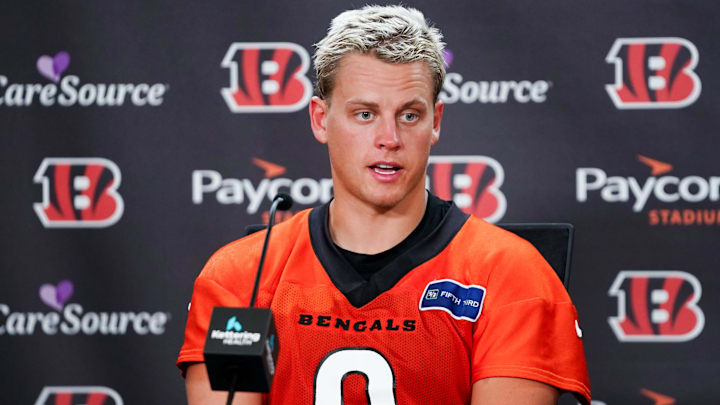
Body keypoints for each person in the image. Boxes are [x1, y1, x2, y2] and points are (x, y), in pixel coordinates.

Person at [179, 5, 590, 404]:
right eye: (364, 114)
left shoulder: (513, 275)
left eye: (410, 115)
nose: (389, 138)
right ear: (321, 120)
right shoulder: (239, 277)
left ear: (436, 122)